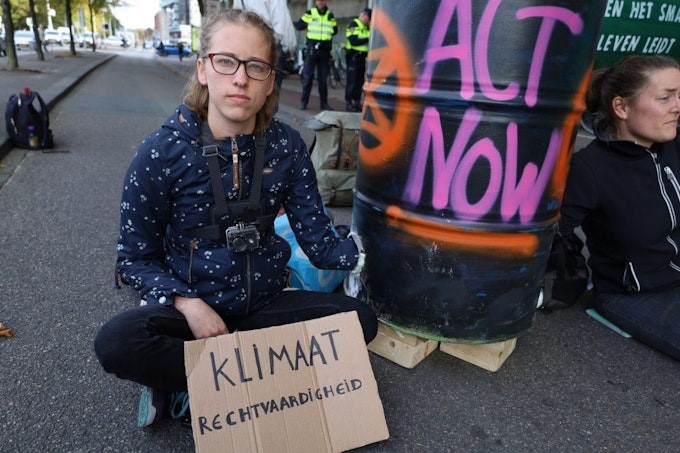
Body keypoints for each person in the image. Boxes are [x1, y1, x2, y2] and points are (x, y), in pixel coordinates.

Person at [93, 8, 378, 428]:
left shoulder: (288, 147)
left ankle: (197, 381)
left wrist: (363, 253)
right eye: (226, 61)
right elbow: (134, 259)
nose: (240, 78)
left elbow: (317, 242)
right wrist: (185, 303)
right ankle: (239, 377)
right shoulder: (160, 152)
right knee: (117, 342)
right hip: (191, 313)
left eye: (256, 66)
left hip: (263, 303)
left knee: (360, 324)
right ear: (204, 70)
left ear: (270, 82)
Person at [558, 55, 680, 361]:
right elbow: (553, 230)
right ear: (622, 108)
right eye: (665, 98)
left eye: (679, 96)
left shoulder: (672, 145)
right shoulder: (592, 168)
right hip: (635, 295)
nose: (677, 106)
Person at [232, 0, 297, 90]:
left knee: (250, 87)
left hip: (247, 45)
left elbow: (236, 18)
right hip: (271, 45)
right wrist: (289, 48)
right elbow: (282, 25)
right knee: (272, 90)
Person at [295, 0, 337, 111]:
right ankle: (303, 102)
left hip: (324, 50)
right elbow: (299, 25)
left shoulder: (330, 15)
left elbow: (335, 30)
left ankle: (324, 104)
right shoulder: (310, 13)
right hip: (312, 49)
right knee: (308, 77)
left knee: (323, 79)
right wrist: (307, 25)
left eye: (323, 0)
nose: (321, 2)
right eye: (319, 0)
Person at [344, 8, 371, 112]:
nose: (368, 21)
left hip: (361, 58)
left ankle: (357, 102)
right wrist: (368, 38)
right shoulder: (353, 25)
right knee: (352, 81)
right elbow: (354, 41)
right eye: (368, 18)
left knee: (359, 81)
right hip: (353, 57)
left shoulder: (366, 27)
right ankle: (349, 102)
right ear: (363, 15)